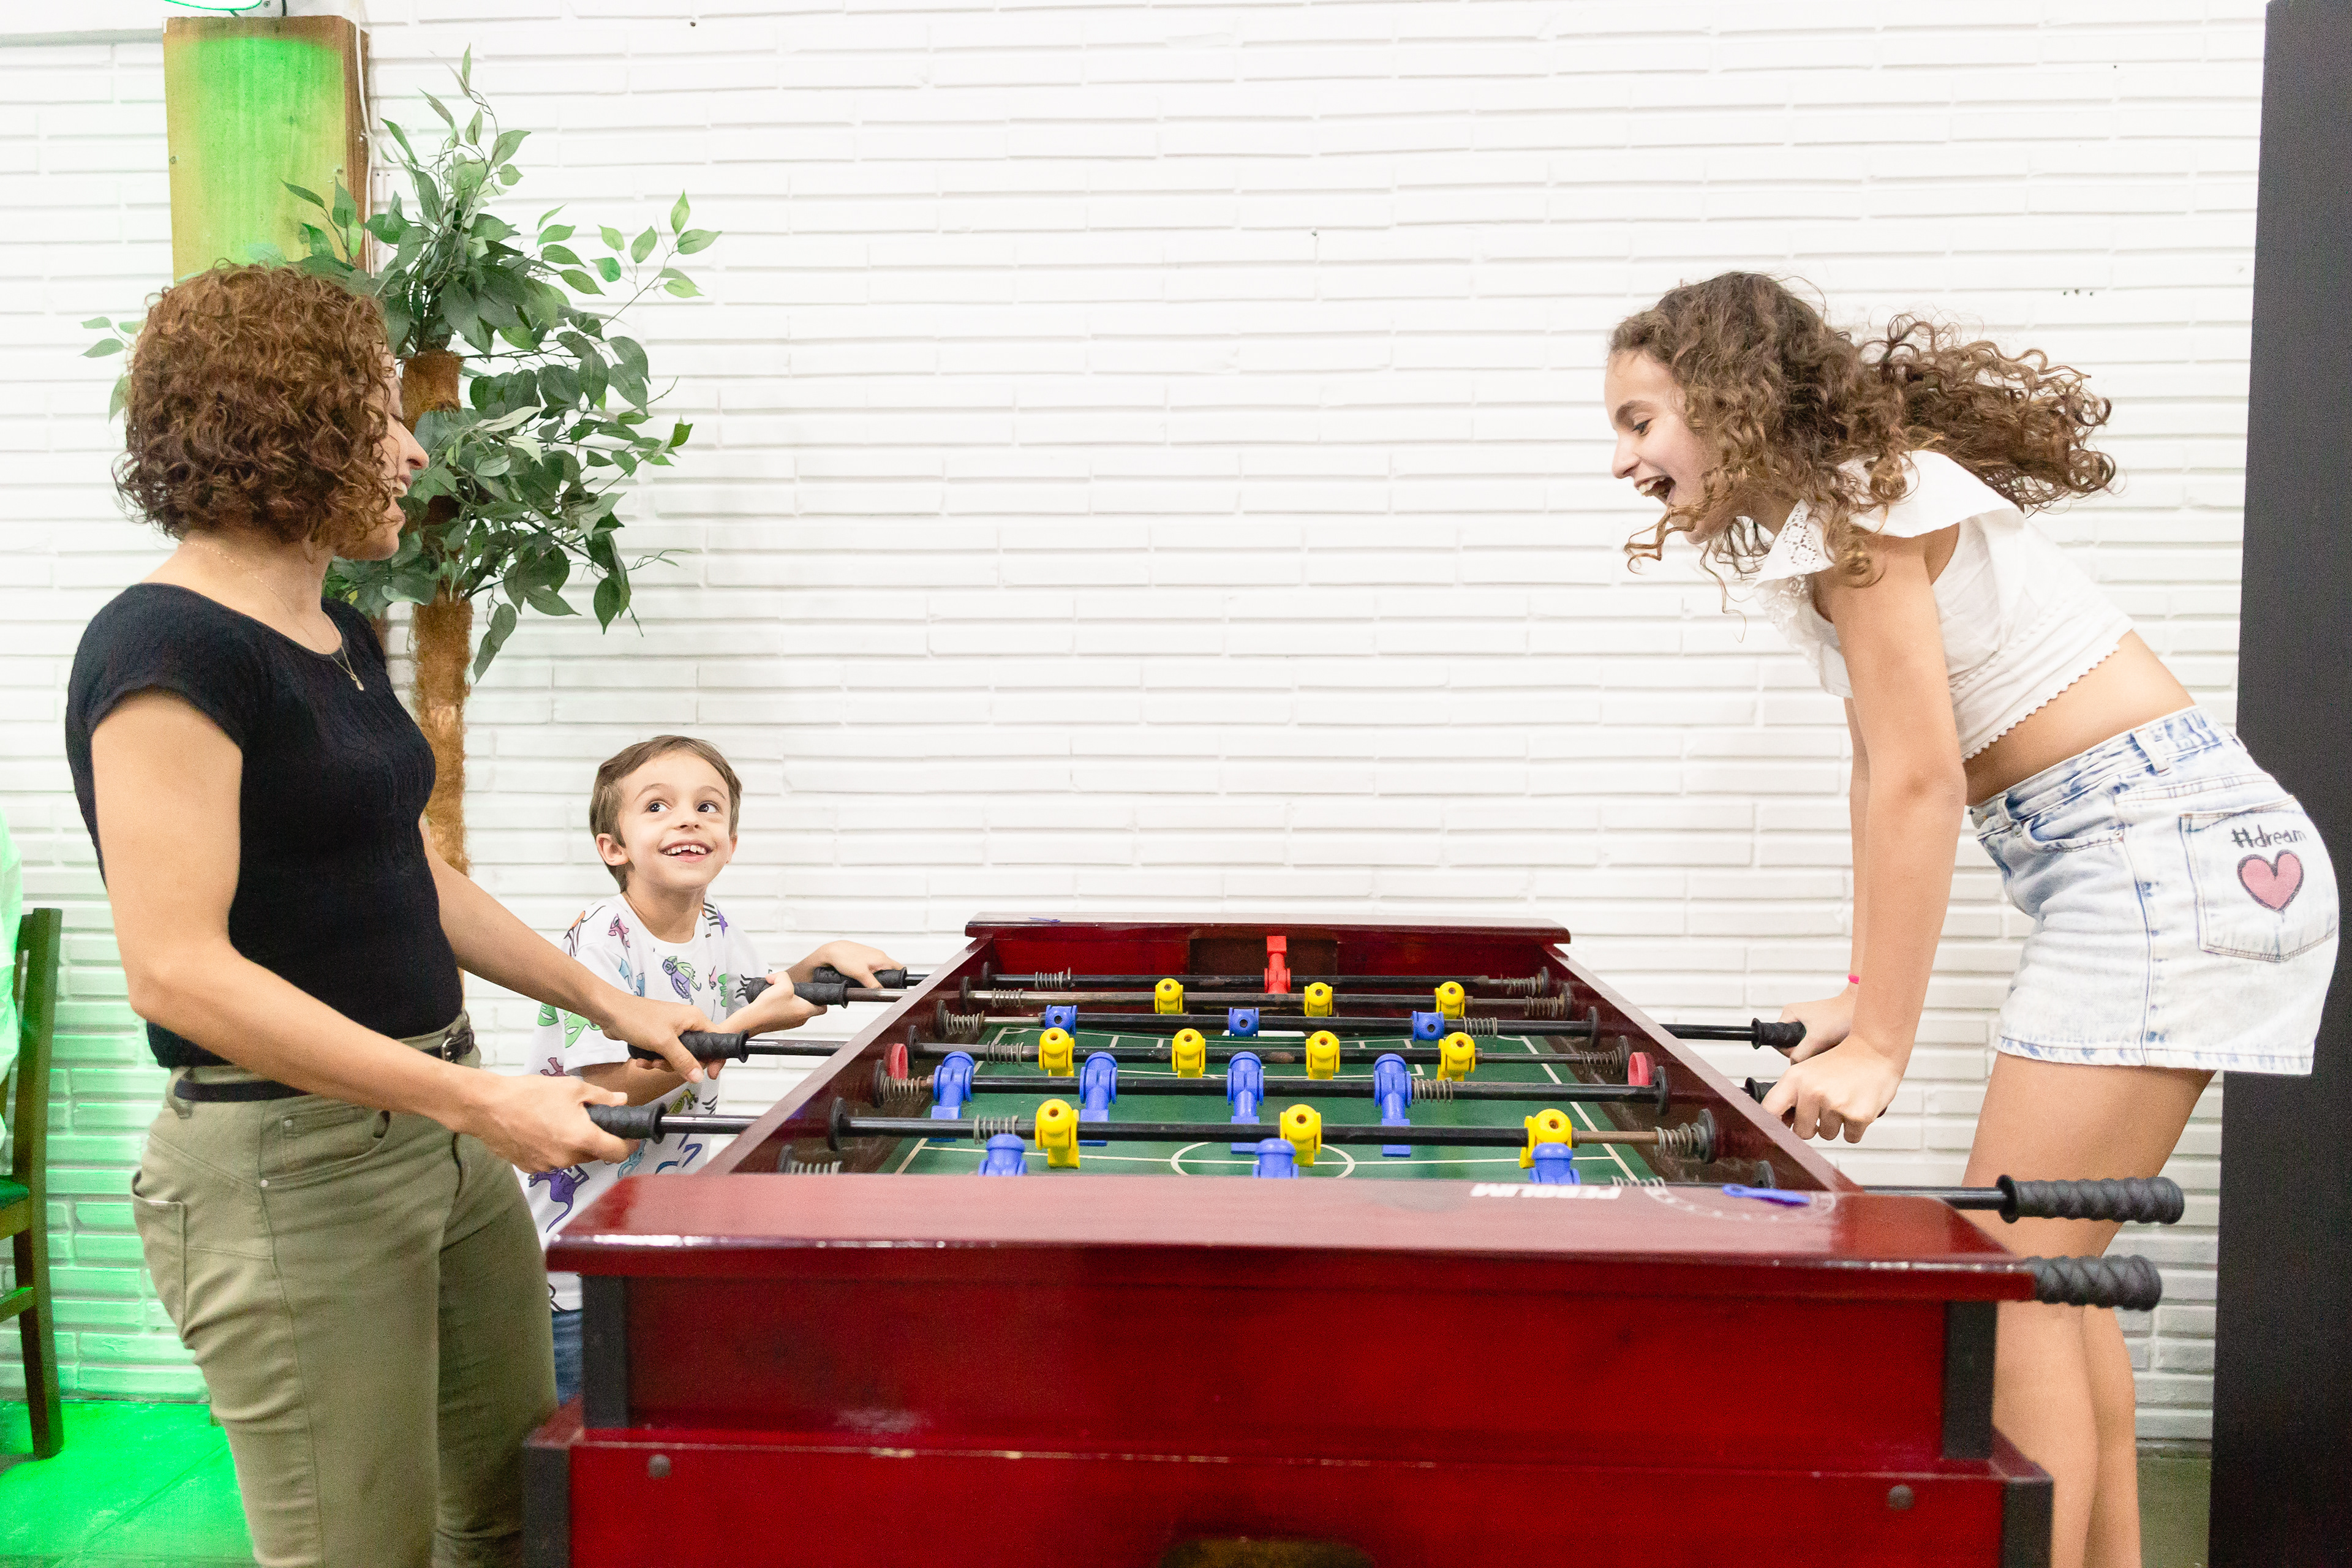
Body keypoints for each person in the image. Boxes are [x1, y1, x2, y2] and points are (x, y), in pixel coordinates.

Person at [1601, 273, 2337, 1568]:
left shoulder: (1864, 511)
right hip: (2165, 851)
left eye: (1639, 421)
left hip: (2151, 854)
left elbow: (1925, 782)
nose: (1623, 462)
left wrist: (1889, 1043)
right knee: (2059, 1274)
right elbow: (1877, 771)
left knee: (2010, 1281)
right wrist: (1860, 995)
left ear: (1724, 400)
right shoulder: (1839, 525)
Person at [64, 264, 720, 1568]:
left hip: (438, 1132)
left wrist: (612, 1001)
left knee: (511, 1512)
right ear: (285, 425)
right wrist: (481, 1105)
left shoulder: (341, 635)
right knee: (362, 1547)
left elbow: (414, 876)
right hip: (287, 1166)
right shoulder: (164, 652)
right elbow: (176, 972)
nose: (412, 452)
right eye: (379, 417)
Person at [526, 733, 900, 1404]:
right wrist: (741, 1029)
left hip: (662, 1231)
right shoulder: (599, 938)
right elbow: (609, 1094)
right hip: (575, 1256)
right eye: (658, 806)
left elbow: (751, 1000)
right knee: (585, 1429)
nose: (688, 820)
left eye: (707, 807)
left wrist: (819, 960)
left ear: (730, 843)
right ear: (613, 847)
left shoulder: (718, 929)